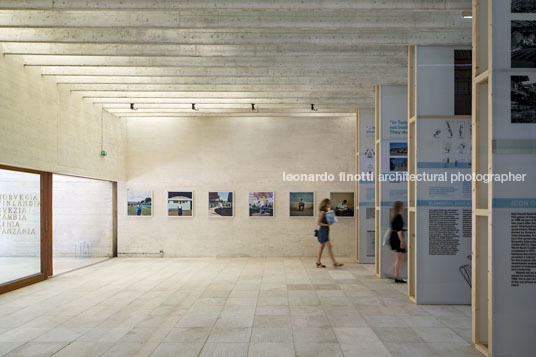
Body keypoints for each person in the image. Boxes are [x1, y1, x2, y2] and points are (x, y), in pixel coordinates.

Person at [316, 198, 343, 268]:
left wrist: (331, 218)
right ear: (325, 204)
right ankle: (334, 262)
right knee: (329, 246)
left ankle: (318, 262)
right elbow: (318, 223)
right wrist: (327, 225)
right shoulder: (322, 212)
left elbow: (327, 222)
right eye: (329, 203)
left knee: (322, 247)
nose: (330, 204)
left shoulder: (325, 212)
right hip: (323, 231)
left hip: (325, 230)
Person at [390, 201, 407, 283]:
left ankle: (396, 275)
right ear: (399, 207)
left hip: (394, 237)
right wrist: (401, 241)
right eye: (402, 206)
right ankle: (397, 276)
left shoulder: (394, 216)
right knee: (400, 258)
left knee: (400, 258)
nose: (404, 207)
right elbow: (398, 230)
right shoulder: (398, 216)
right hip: (396, 238)